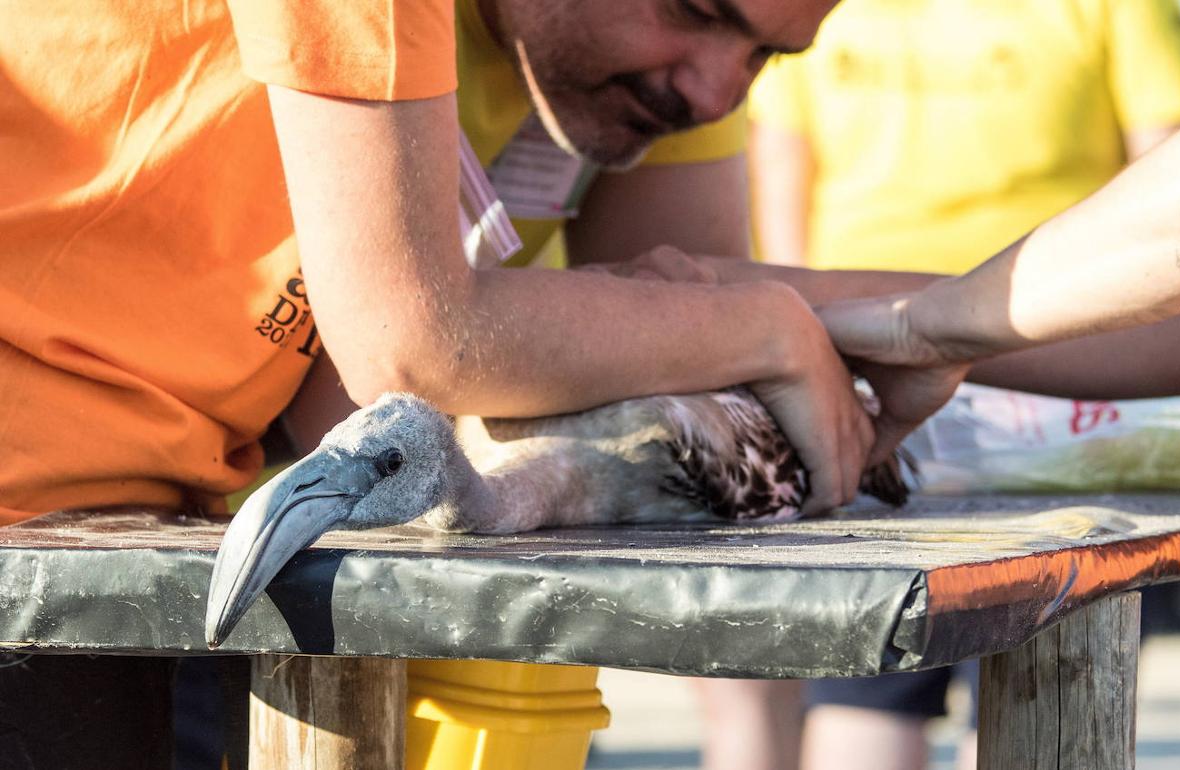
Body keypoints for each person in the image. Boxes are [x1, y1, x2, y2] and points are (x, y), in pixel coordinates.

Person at [0, 0, 880, 765]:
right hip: (37, 526)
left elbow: (683, 297)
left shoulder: (620, 76)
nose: (720, 93)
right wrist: (769, 327)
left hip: (141, 544)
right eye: (692, 9)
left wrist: (928, 325)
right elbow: (409, 340)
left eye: (768, 56)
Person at [695, 1, 1180, 768]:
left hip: (931, 370)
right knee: (1010, 665)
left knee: (875, 680)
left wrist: (811, 336)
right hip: (1033, 376)